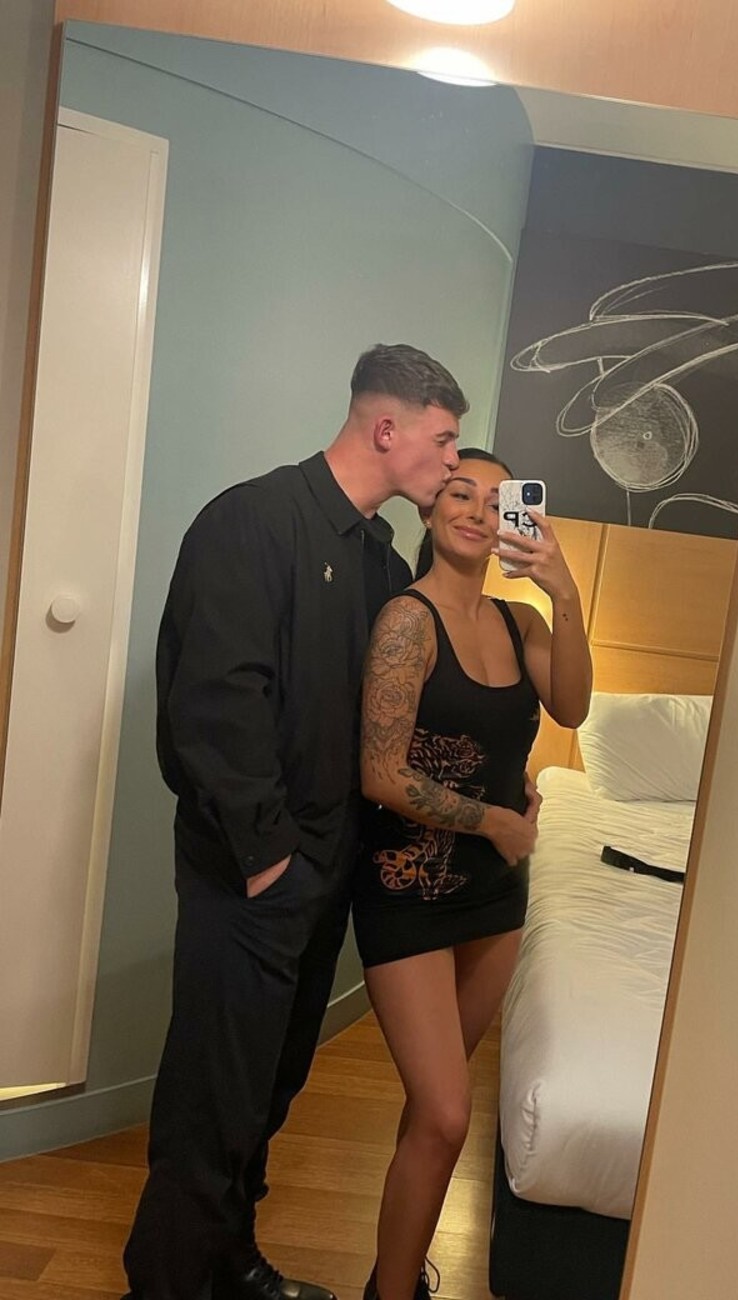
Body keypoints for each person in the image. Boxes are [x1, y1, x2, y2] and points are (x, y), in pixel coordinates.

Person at [122, 344, 467, 1300]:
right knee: (211, 1099)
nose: (452, 461)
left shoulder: (384, 565)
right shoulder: (250, 521)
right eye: (444, 440)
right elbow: (214, 703)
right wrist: (270, 859)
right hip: (252, 875)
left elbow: (389, 718)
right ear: (386, 428)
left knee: (267, 1091)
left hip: (323, 877)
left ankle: (228, 1262)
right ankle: (164, 1285)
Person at [353, 448, 593, 1300]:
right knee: (449, 1112)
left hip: (495, 898)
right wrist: (496, 820)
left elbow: (573, 707)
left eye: (497, 502)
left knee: (433, 1109)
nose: (478, 512)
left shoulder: (522, 623)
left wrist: (564, 594)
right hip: (409, 892)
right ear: (429, 509)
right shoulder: (406, 621)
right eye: (460, 494)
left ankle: (395, 1274)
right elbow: (381, 773)